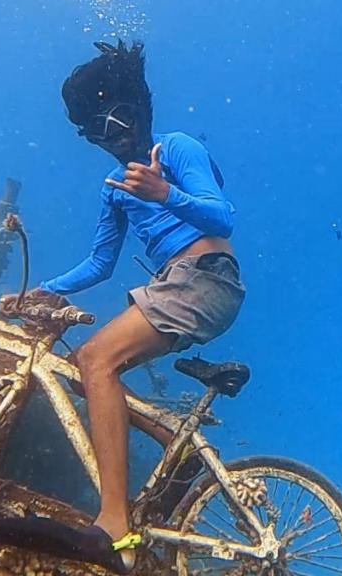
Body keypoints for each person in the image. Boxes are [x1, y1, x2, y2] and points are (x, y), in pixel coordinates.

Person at [31, 40, 244, 568]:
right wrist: (46, 289)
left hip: (205, 278)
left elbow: (223, 218)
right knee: (91, 372)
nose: (115, 135)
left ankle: (114, 522)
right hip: (180, 284)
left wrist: (164, 194)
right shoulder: (114, 187)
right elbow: (100, 264)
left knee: (95, 360)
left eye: (121, 117)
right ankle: (169, 434)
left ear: (141, 109)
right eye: (99, 129)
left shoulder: (174, 149)